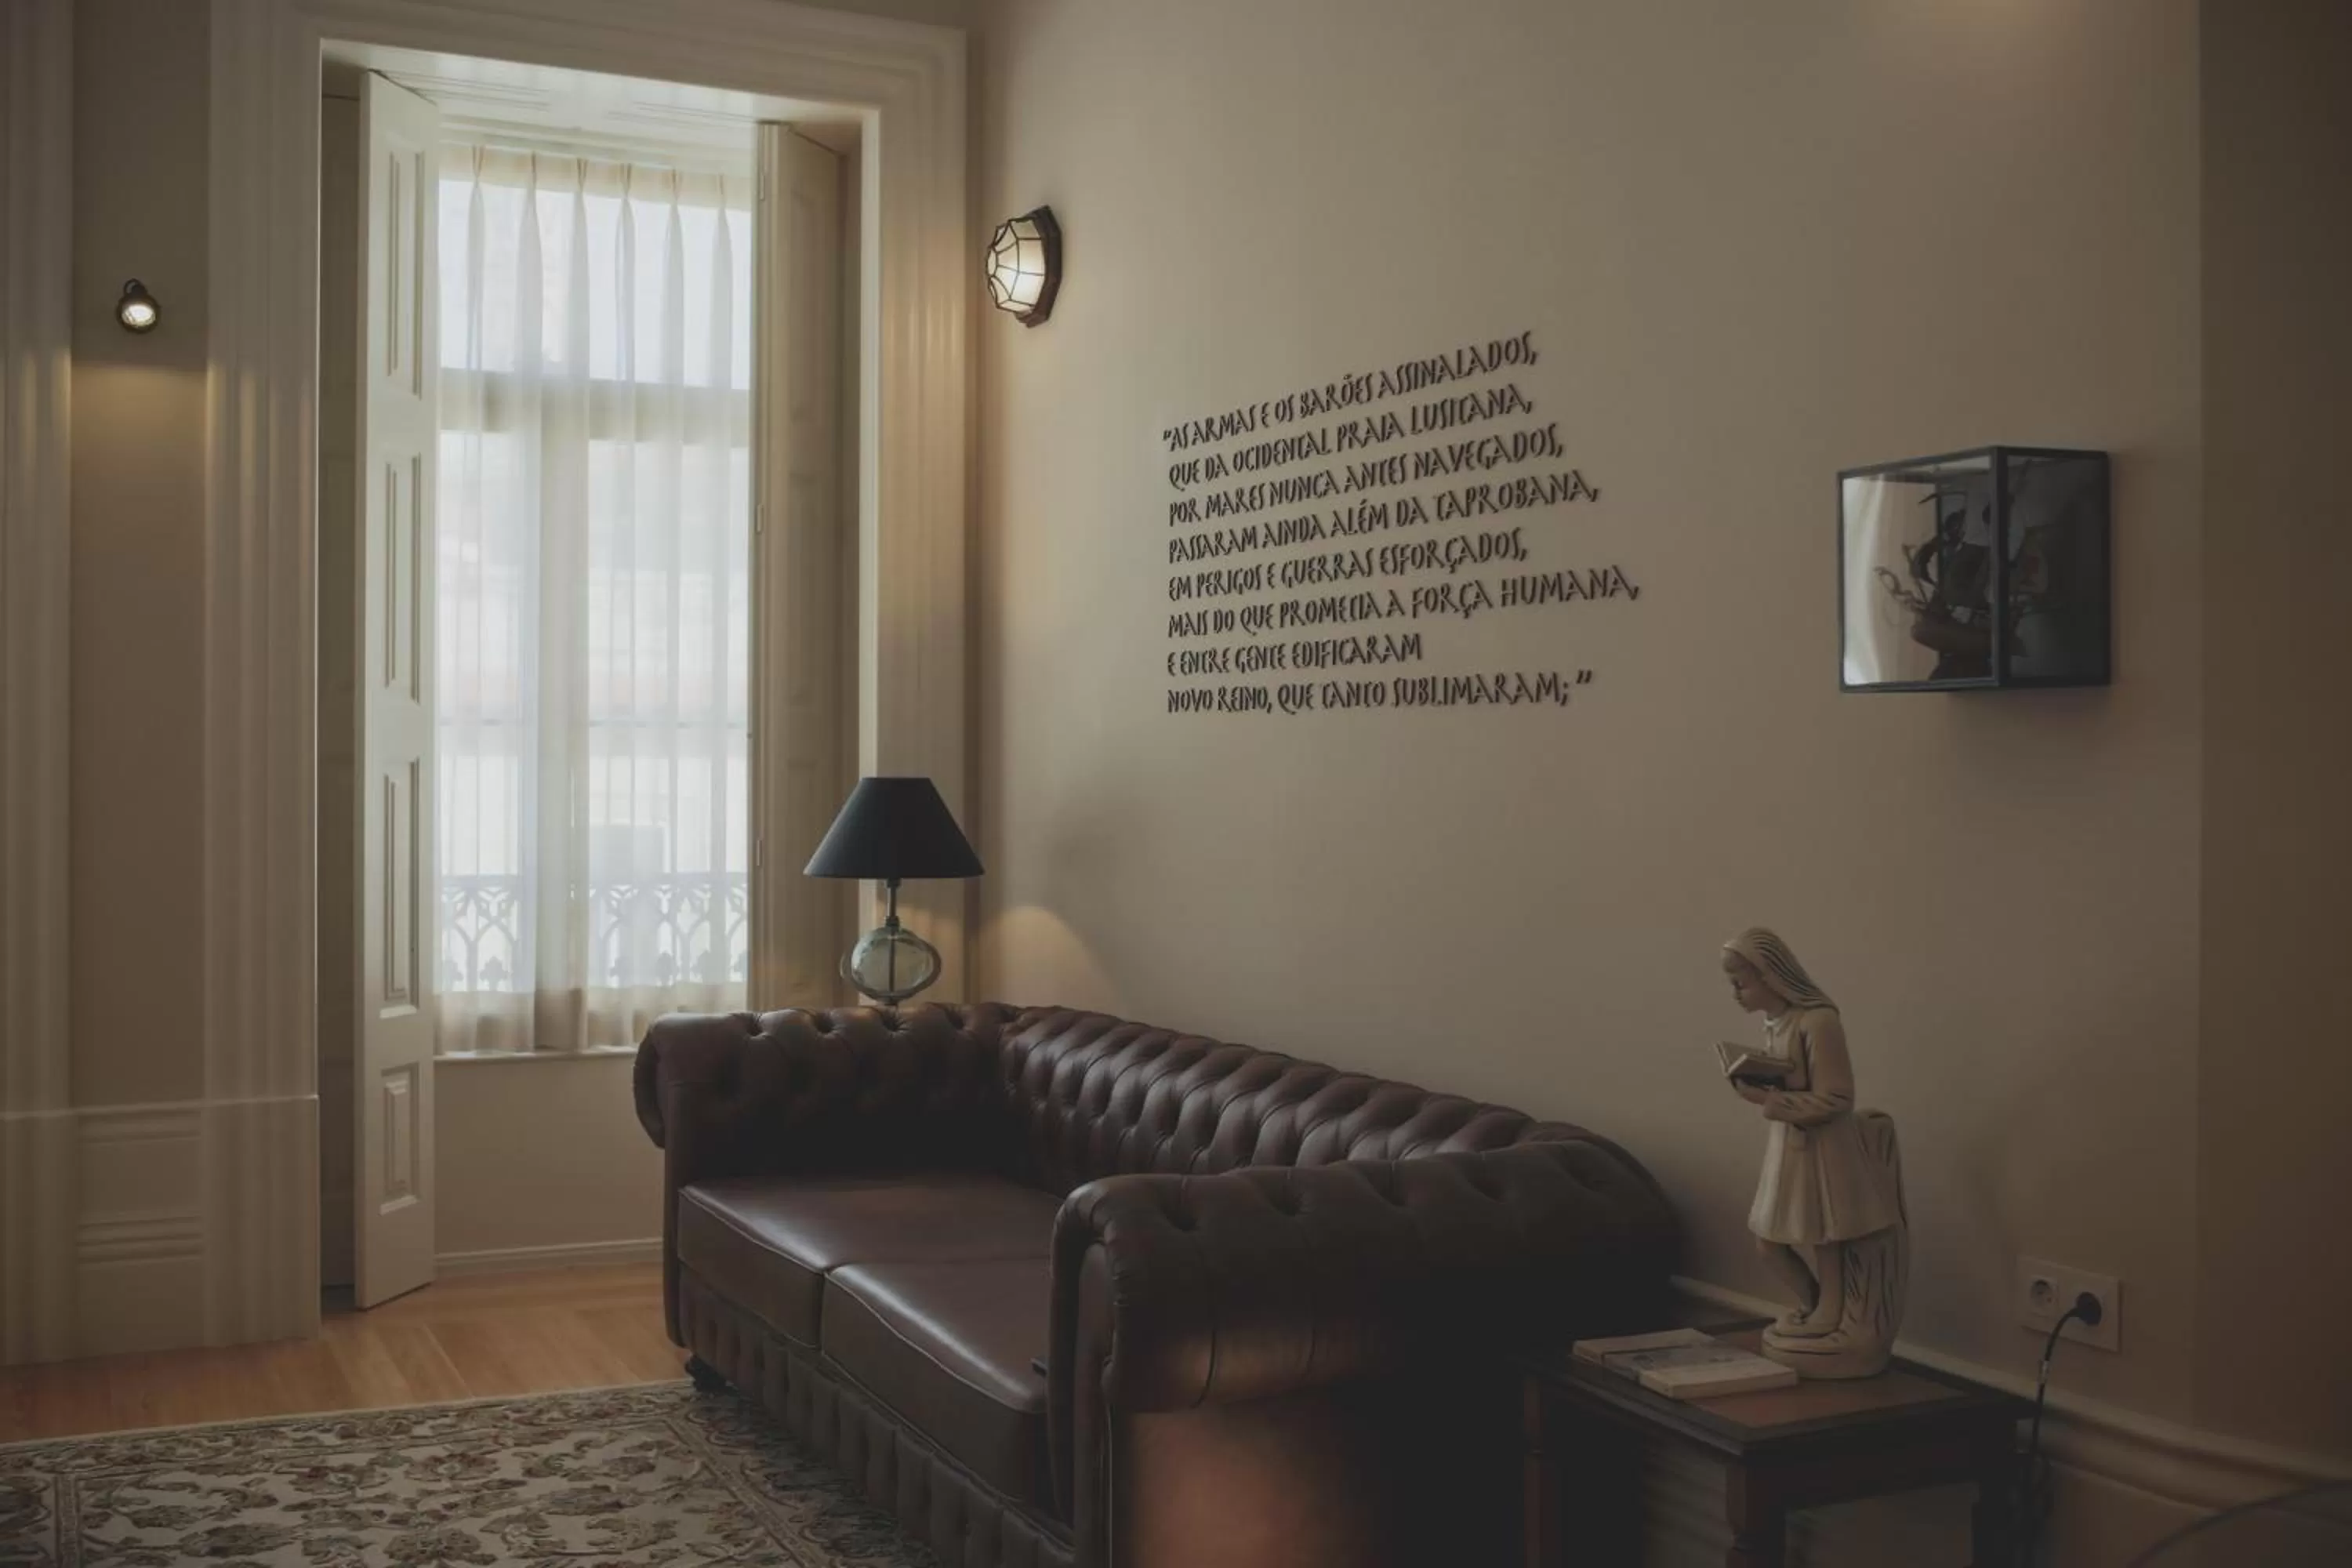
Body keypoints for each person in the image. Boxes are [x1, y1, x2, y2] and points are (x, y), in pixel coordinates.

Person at [1721, 927, 1901, 1339]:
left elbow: (1837, 1098)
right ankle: (1814, 1302)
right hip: (1788, 1145)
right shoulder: (1776, 1022)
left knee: (1825, 1235)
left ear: (1770, 975)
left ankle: (1829, 1313)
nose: (1735, 994)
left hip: (1821, 1148)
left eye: (1741, 983)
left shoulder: (1818, 1022)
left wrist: (1762, 1100)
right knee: (1770, 1240)